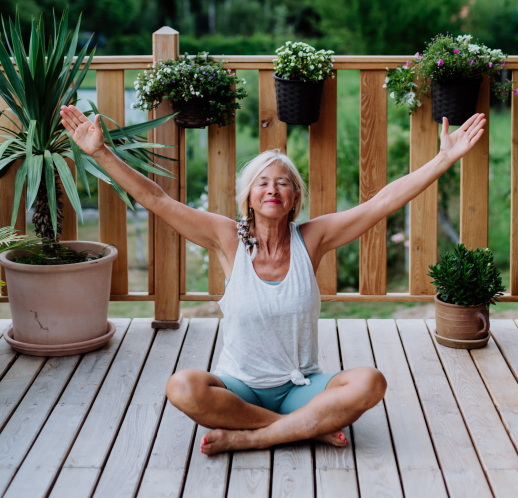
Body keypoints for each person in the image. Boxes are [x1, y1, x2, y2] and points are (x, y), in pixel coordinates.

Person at [60, 104, 485, 456]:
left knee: (371, 382)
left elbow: (382, 202)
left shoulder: (312, 238)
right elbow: (157, 199)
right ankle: (304, 430)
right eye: (262, 183)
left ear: (295, 198)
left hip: (301, 385)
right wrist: (100, 153)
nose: (272, 190)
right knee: (183, 387)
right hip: (241, 388)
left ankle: (256, 437)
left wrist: (445, 158)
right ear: (248, 197)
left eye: (283, 183)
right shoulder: (227, 238)